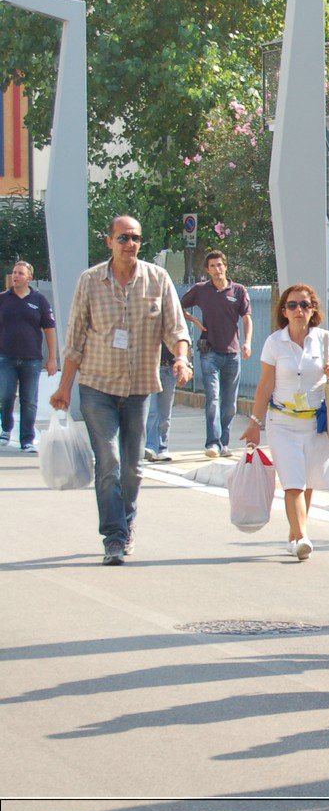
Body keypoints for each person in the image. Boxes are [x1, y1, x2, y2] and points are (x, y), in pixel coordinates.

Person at [51, 216, 192, 565]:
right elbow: (75, 341)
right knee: (109, 462)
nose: (131, 244)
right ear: (109, 242)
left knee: (133, 467)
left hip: (140, 387)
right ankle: (113, 537)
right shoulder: (90, 281)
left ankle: (127, 525)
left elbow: (176, 328)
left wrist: (182, 359)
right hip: (97, 386)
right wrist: (64, 389)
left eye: (136, 239)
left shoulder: (157, 279)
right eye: (124, 238)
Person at [241, 284, 329, 561]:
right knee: (293, 484)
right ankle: (301, 536)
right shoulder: (275, 343)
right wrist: (255, 421)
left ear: (313, 309)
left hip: (315, 424)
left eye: (304, 305)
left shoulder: (324, 339)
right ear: (284, 311)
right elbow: (265, 385)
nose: (299, 310)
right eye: (292, 305)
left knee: (308, 481)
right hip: (282, 423)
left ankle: (296, 533)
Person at [183, 249, 253, 458]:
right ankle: (212, 443)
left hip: (232, 353)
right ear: (207, 270)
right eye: (212, 266)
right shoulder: (201, 290)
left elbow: (247, 318)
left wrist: (247, 343)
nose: (217, 269)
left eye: (220, 265)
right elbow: (176, 305)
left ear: (226, 266)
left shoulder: (238, 291)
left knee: (229, 403)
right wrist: (193, 320)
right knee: (212, 398)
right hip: (209, 352)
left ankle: (224, 443)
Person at [0, 259, 58, 452]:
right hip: (5, 357)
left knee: (29, 400)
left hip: (31, 359)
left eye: (20, 273)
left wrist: (52, 358)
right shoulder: (3, 298)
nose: (15, 276)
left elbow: (49, 329)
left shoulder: (39, 301)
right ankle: (6, 429)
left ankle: (27, 439)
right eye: (14, 272)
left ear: (29, 278)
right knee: (6, 395)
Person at [142, 345, 177, 463]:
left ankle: (163, 447)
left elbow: (182, 341)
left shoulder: (172, 326)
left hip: (169, 367)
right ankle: (151, 446)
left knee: (165, 412)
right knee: (152, 411)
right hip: (150, 367)